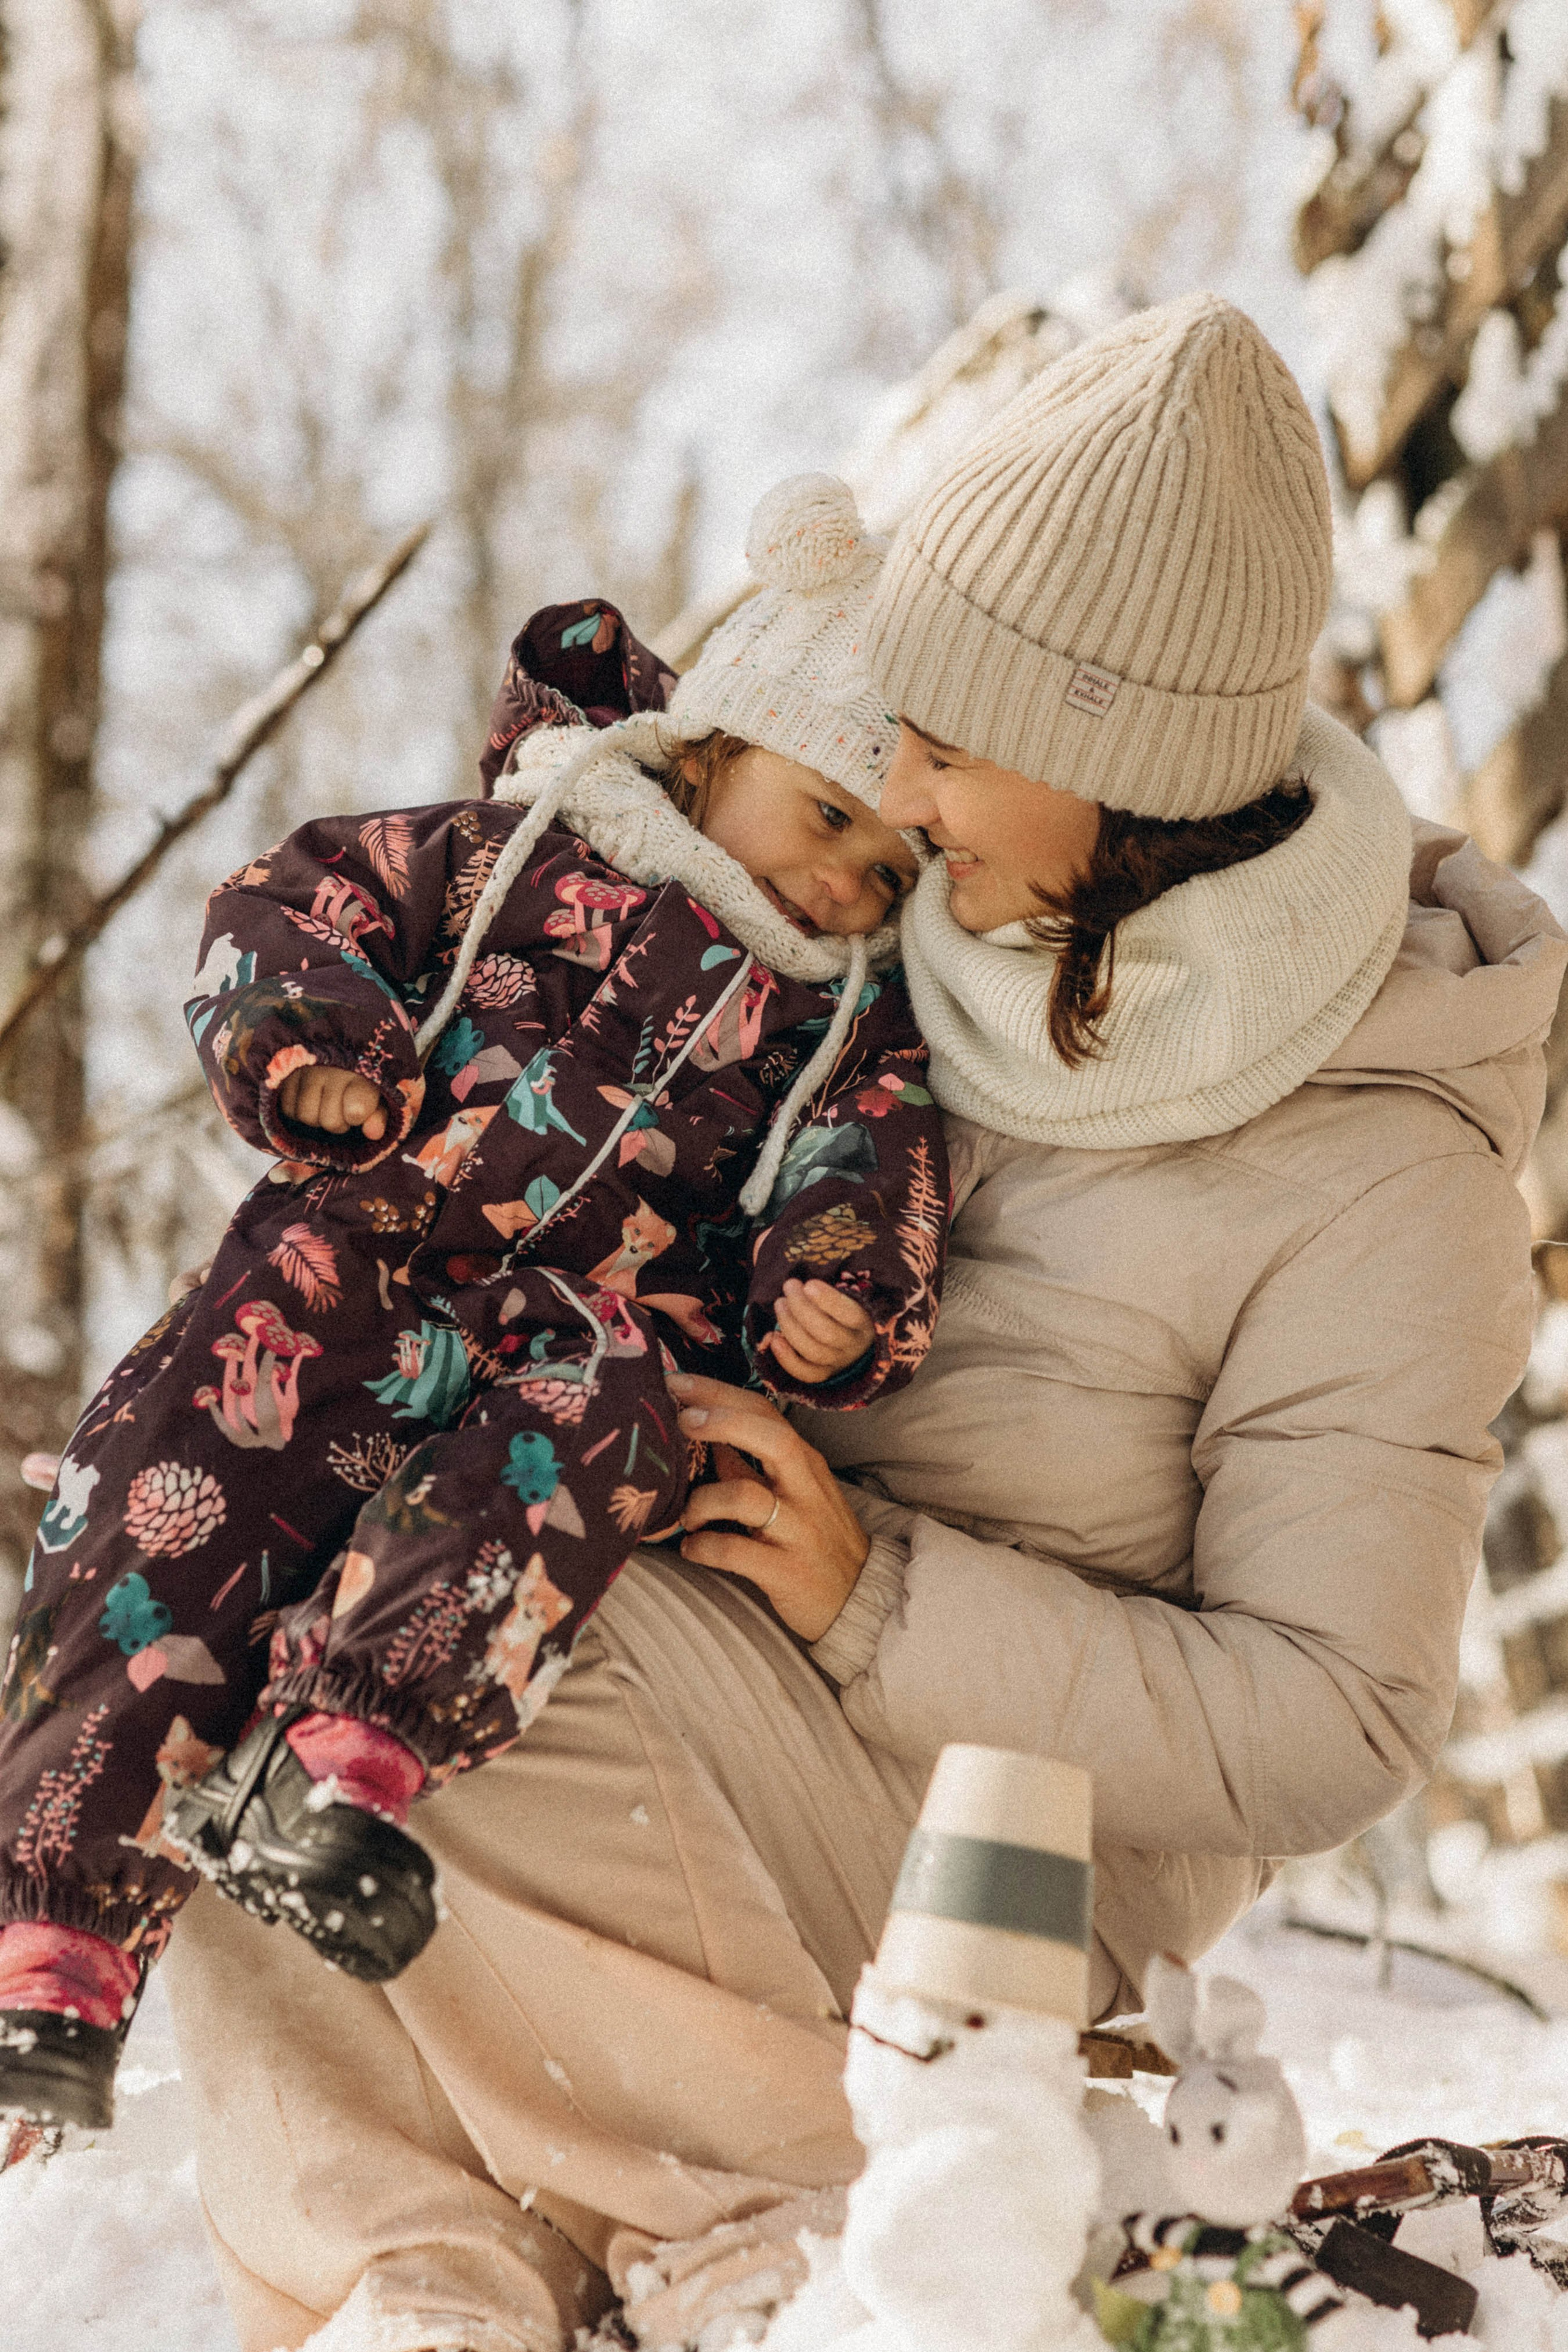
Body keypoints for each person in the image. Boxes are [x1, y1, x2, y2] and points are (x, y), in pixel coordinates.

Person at [159, 290, 1565, 2352]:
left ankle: (799, 2240)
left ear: (1119, 765)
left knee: (462, 1620)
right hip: (699, 1640)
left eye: (948, 747)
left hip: (981, 1835)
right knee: (251, 1519)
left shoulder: (1384, 1165)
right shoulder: (922, 930)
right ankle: (415, 2279)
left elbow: (1332, 1720)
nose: (888, 784)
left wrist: (873, 1598)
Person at [0, 476, 948, 2136]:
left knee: (621, 1421)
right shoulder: (512, 856)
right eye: (829, 819)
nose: (851, 887)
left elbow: (875, 1179)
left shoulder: (847, 1035)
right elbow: (291, 907)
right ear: (720, 751)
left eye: (894, 867)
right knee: (163, 1531)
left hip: (562, 1335)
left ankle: (346, 1760)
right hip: (343, 1267)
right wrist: (312, 1052)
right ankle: (51, 1946)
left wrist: (837, 1292)